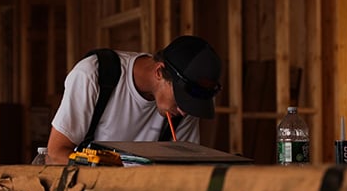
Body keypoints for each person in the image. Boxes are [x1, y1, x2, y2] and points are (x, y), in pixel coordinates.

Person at [46, 35, 222, 165]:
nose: (184, 111)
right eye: (181, 100)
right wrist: (100, 169)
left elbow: (185, 167)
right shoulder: (94, 75)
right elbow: (55, 154)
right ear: (159, 72)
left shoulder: (182, 109)